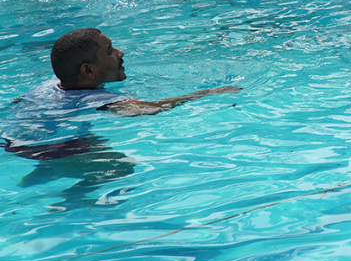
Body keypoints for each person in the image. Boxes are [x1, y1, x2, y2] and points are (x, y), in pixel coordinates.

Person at [1, 29, 239, 205]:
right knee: (121, 167)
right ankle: (69, 201)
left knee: (92, 141)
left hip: (15, 141)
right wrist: (208, 93)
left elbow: (20, 105)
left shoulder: (49, 84)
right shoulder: (92, 99)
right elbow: (149, 109)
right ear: (88, 71)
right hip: (51, 147)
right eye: (110, 51)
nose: (120, 52)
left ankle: (49, 169)